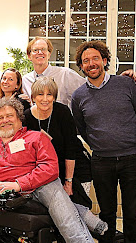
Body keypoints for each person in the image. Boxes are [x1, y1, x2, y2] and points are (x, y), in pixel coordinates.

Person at [0, 97, 105, 243]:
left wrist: (19, 183)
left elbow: (50, 167)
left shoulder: (35, 137)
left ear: (19, 119)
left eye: (10, 116)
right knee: (64, 208)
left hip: (41, 184)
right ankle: (88, 217)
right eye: (1, 117)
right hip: (5, 190)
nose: (5, 120)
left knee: (65, 216)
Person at [71, 40, 136, 243]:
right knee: (107, 214)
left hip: (132, 159)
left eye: (95, 58)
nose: (91, 64)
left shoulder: (126, 85)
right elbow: (82, 130)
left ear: (104, 60)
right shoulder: (79, 96)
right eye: (85, 61)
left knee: (133, 215)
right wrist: (102, 146)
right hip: (101, 161)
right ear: (81, 66)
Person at [24, 76, 104, 230]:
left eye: (50, 94)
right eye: (40, 94)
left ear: (54, 96)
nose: (45, 99)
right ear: (33, 97)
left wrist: (68, 181)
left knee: (73, 209)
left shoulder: (62, 112)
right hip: (47, 171)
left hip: (74, 167)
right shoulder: (27, 117)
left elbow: (70, 148)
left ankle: (86, 235)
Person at [22, 37, 85, 108]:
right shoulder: (25, 80)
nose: (40, 53)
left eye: (43, 49)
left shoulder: (65, 74)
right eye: (35, 50)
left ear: (49, 54)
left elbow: (85, 93)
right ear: (29, 56)